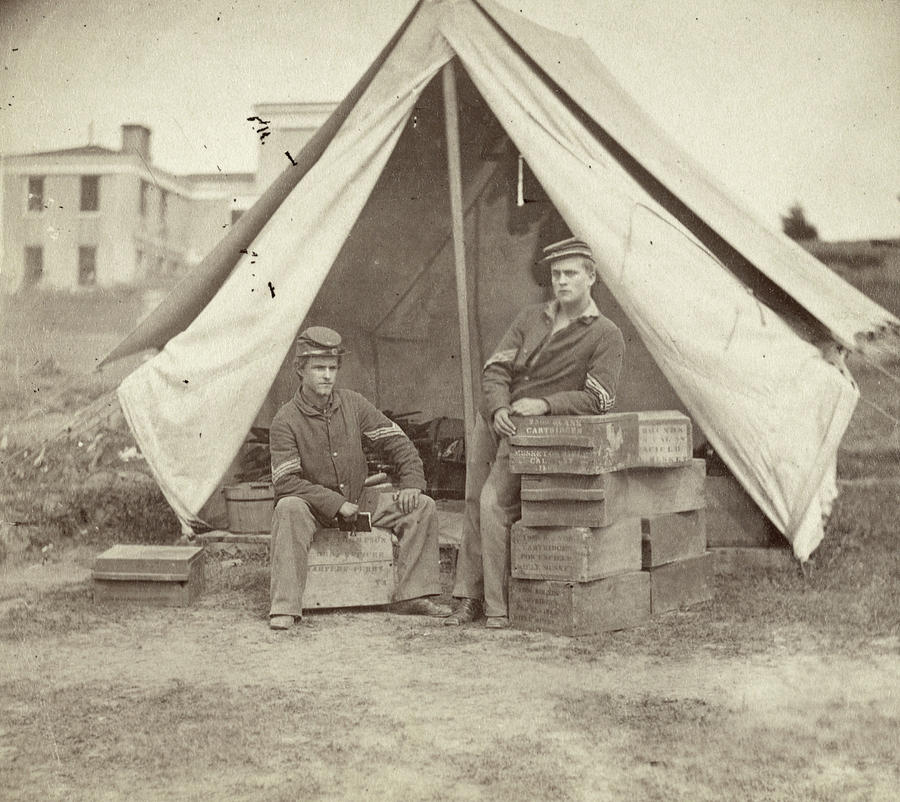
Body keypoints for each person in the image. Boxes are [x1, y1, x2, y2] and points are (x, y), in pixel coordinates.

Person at [445, 237, 625, 628]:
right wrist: (497, 408)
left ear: (591, 277)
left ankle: (496, 607)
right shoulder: (530, 318)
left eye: (571, 274)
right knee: (475, 502)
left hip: (536, 432)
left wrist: (545, 405)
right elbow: (496, 369)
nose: (561, 282)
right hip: (494, 419)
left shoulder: (606, 334)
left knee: (494, 504)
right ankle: (467, 598)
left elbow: (600, 398)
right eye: (556, 274)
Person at [267, 326, 450, 630]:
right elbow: (286, 482)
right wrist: (336, 504)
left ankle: (412, 595)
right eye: (318, 368)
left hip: (358, 499)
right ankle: (285, 605)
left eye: (332, 367)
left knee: (423, 506)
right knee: (288, 508)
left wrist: (412, 483)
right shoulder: (285, 420)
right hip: (312, 509)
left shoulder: (353, 404)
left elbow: (397, 441)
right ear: (300, 369)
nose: (327, 375)